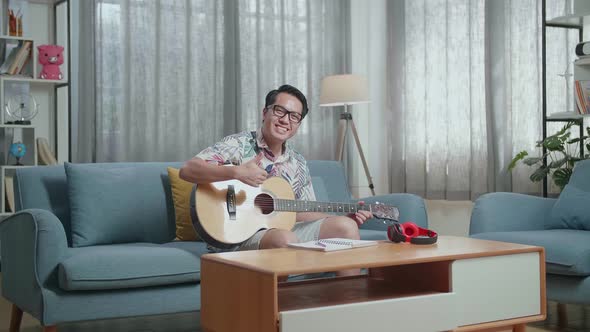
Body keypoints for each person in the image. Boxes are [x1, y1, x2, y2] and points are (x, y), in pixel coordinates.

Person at [179, 84, 372, 275]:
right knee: (285, 238)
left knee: (346, 227)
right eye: (280, 111)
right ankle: (276, 305)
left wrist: (345, 214)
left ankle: (347, 299)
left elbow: (301, 212)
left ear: (297, 125)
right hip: (235, 235)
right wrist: (236, 172)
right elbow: (188, 170)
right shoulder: (238, 144)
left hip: (281, 230)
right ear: (265, 112)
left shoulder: (298, 162)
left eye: (294, 116)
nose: (285, 120)